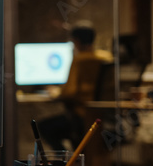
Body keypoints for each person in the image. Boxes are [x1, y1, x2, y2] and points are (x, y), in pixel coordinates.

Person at [39, 21, 114, 151]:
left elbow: (69, 93)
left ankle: (64, 161)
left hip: (81, 117)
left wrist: (55, 92)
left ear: (76, 41)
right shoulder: (106, 57)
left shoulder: (79, 60)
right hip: (102, 115)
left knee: (43, 127)